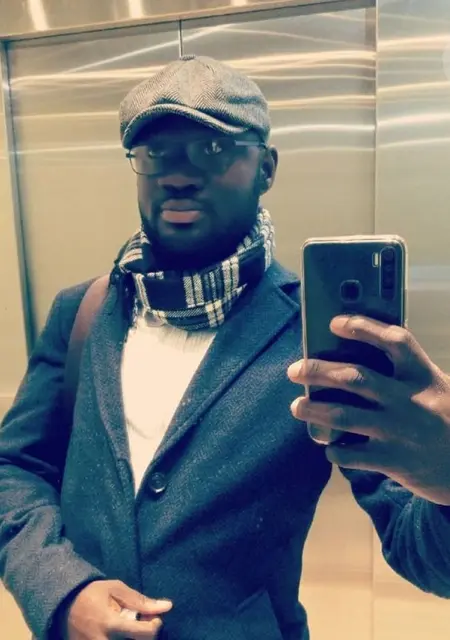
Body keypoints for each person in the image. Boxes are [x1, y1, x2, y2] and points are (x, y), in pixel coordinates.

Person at [0, 54, 450, 640]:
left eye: (212, 148)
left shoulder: (323, 338)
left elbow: (424, 556)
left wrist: (446, 480)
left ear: (266, 167)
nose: (177, 175)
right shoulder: (81, 314)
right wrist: (63, 591)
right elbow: (14, 469)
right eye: (154, 153)